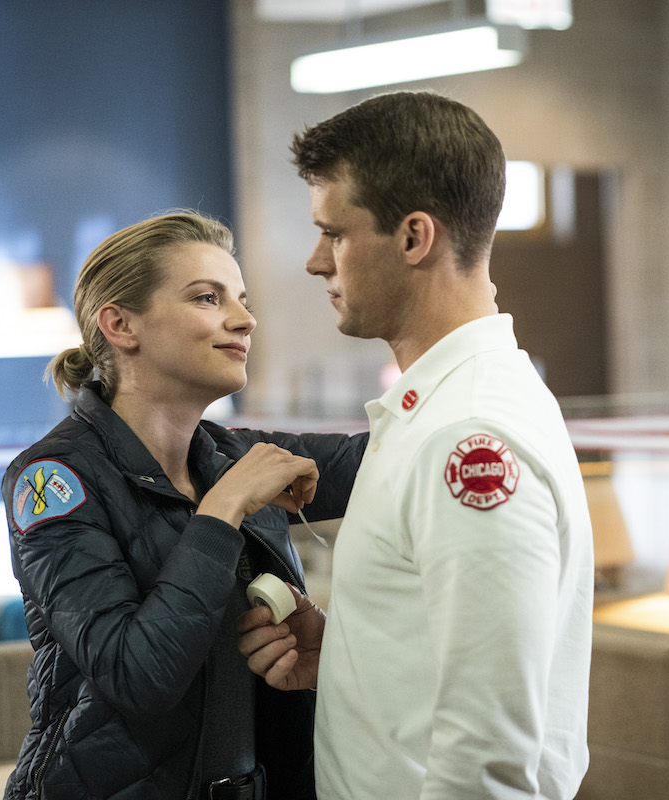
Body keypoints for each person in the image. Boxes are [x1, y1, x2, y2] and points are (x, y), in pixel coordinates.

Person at [243, 91, 594, 798]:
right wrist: (349, 653)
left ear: (413, 238)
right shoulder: (438, 410)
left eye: (334, 234)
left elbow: (488, 759)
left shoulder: (468, 437)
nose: (316, 262)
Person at [0, 210, 365, 800]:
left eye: (241, 299)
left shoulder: (236, 456)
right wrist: (221, 510)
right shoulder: (52, 479)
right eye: (207, 298)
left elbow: (399, 455)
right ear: (120, 325)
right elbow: (135, 675)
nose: (245, 319)